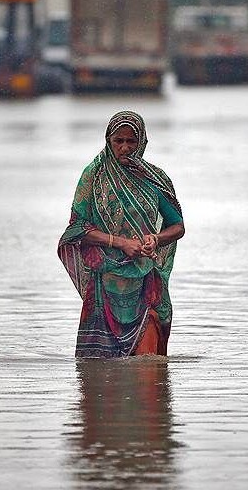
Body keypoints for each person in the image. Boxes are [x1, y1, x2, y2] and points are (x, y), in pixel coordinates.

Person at [58, 111, 185, 358]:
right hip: (105, 284)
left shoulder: (154, 179)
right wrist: (121, 243)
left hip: (145, 281)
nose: (125, 148)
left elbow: (178, 226)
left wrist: (155, 239)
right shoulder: (93, 177)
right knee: (98, 378)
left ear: (142, 143)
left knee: (149, 369)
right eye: (119, 141)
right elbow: (76, 229)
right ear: (108, 141)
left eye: (131, 141)